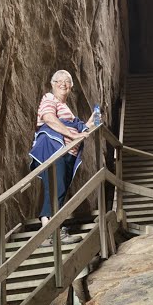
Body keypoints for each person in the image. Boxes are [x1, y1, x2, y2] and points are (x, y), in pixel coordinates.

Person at [29, 70, 88, 242]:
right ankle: (51, 231)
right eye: (59, 81)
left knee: (58, 188)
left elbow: (82, 127)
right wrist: (73, 135)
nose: (63, 83)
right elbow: (48, 118)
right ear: (53, 84)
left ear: (71, 87)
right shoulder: (49, 98)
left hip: (67, 152)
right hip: (55, 150)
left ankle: (52, 230)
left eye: (67, 81)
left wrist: (92, 122)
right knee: (57, 186)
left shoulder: (66, 109)